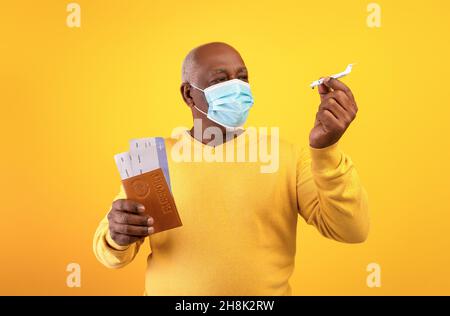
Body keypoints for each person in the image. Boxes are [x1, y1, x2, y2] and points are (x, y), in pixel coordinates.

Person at [93, 42, 369, 296]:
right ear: (189, 94)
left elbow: (351, 230)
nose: (237, 87)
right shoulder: (152, 158)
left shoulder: (286, 156)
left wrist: (326, 151)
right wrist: (118, 236)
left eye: (243, 77)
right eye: (221, 80)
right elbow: (111, 253)